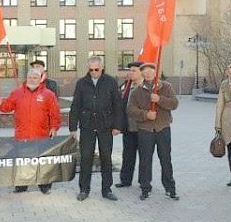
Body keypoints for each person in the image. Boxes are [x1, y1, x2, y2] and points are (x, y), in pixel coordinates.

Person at [0, 68, 61, 194]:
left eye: (35, 78)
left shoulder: (48, 94)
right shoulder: (17, 93)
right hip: (22, 135)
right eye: (30, 77)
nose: (32, 80)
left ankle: (44, 186)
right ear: (27, 78)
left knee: (42, 161)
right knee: (22, 161)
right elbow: (8, 106)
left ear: (40, 79)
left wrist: (54, 128)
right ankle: (21, 185)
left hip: (41, 134)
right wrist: (0, 104)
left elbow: (55, 114)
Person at [69, 56, 122, 201]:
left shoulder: (110, 82)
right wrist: (72, 127)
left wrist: (118, 125)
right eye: (91, 70)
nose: (93, 72)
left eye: (96, 69)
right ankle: (84, 189)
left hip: (106, 126)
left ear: (102, 67)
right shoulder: (82, 83)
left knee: (106, 157)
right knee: (86, 157)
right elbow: (75, 105)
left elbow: (118, 104)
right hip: (87, 126)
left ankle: (107, 190)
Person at [127, 62, 179, 201]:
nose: (148, 73)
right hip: (145, 130)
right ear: (142, 73)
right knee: (145, 160)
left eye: (151, 71)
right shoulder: (137, 91)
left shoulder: (166, 87)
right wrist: (145, 115)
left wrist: (159, 99)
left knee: (166, 159)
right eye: (145, 71)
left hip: (163, 128)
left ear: (156, 72)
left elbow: (174, 104)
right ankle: (145, 188)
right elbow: (130, 110)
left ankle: (170, 188)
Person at [115, 60, 143, 188]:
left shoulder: (147, 86)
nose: (130, 73)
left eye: (134, 71)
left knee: (144, 157)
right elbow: (120, 105)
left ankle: (144, 182)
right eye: (130, 70)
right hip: (128, 128)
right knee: (127, 155)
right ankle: (125, 180)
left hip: (143, 128)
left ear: (141, 72)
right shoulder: (126, 85)